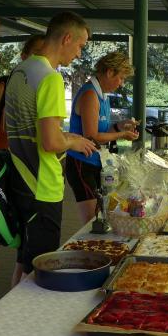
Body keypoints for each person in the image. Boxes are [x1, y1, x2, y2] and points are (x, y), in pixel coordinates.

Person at [5, 12, 96, 285]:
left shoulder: (21, 71)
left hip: (19, 177)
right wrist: (74, 141)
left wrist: (63, 135)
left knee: (24, 261)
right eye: (80, 45)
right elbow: (51, 143)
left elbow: (32, 129)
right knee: (39, 271)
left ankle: (11, 310)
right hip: (43, 185)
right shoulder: (51, 78)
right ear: (67, 38)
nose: (79, 54)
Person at [0, 34, 45, 317]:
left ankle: (13, 304)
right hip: (4, 167)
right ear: (24, 56)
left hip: (29, 168)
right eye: (35, 55)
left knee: (25, 241)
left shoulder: (43, 85)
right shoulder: (5, 84)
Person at [66, 52, 139, 224]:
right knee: (92, 220)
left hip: (95, 162)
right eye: (121, 78)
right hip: (81, 163)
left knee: (101, 214)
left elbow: (104, 130)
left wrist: (119, 126)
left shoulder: (102, 95)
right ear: (109, 72)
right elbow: (93, 137)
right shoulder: (90, 94)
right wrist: (122, 135)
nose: (121, 83)